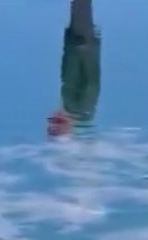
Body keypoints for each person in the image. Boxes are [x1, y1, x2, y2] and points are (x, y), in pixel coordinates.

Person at [47, 0, 101, 137]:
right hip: (84, 45)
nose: (54, 115)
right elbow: (92, 81)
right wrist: (87, 50)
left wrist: (68, 41)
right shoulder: (82, 110)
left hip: (74, 44)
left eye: (52, 120)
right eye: (57, 121)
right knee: (81, 8)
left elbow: (66, 73)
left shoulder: (68, 105)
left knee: (78, 8)